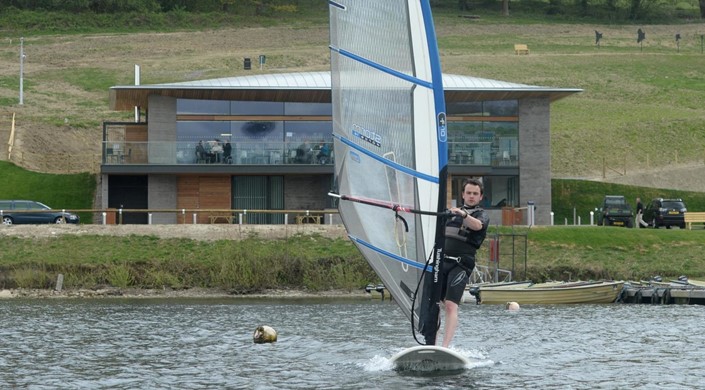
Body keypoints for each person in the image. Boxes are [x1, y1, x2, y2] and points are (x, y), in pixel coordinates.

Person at [440, 178, 489, 348]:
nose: (471, 196)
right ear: (462, 194)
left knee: (451, 305)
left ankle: (444, 347)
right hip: (442, 262)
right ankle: (430, 343)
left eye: (475, 194)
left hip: (461, 265)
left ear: (480, 197)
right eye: (468, 193)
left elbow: (477, 226)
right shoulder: (450, 213)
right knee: (432, 303)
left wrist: (464, 214)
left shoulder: (481, 215)